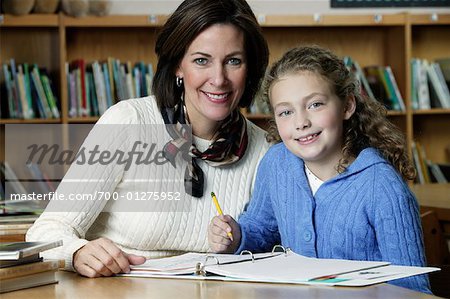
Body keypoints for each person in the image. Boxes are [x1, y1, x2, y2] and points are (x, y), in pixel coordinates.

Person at [26, 0, 269, 278]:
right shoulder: (128, 122)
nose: (219, 79)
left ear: (249, 68)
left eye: (233, 61)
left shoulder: (264, 149)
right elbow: (46, 231)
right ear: (178, 66)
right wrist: (78, 252)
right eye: (201, 60)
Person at [208, 45, 431, 293]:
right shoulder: (277, 164)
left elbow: (413, 288)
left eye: (315, 105)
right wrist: (236, 236)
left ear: (347, 106)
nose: (301, 122)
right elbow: (262, 229)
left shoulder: (383, 187)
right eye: (286, 112)